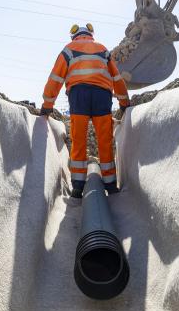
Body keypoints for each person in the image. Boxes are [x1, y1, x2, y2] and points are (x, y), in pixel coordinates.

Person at [40, 23, 130, 198]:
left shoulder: (69, 49)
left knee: (79, 138)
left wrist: (47, 105)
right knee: (104, 140)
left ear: (75, 36)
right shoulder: (103, 50)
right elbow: (117, 77)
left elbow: (56, 78)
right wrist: (124, 101)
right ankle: (111, 186)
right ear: (91, 35)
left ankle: (78, 187)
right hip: (102, 96)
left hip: (78, 95)